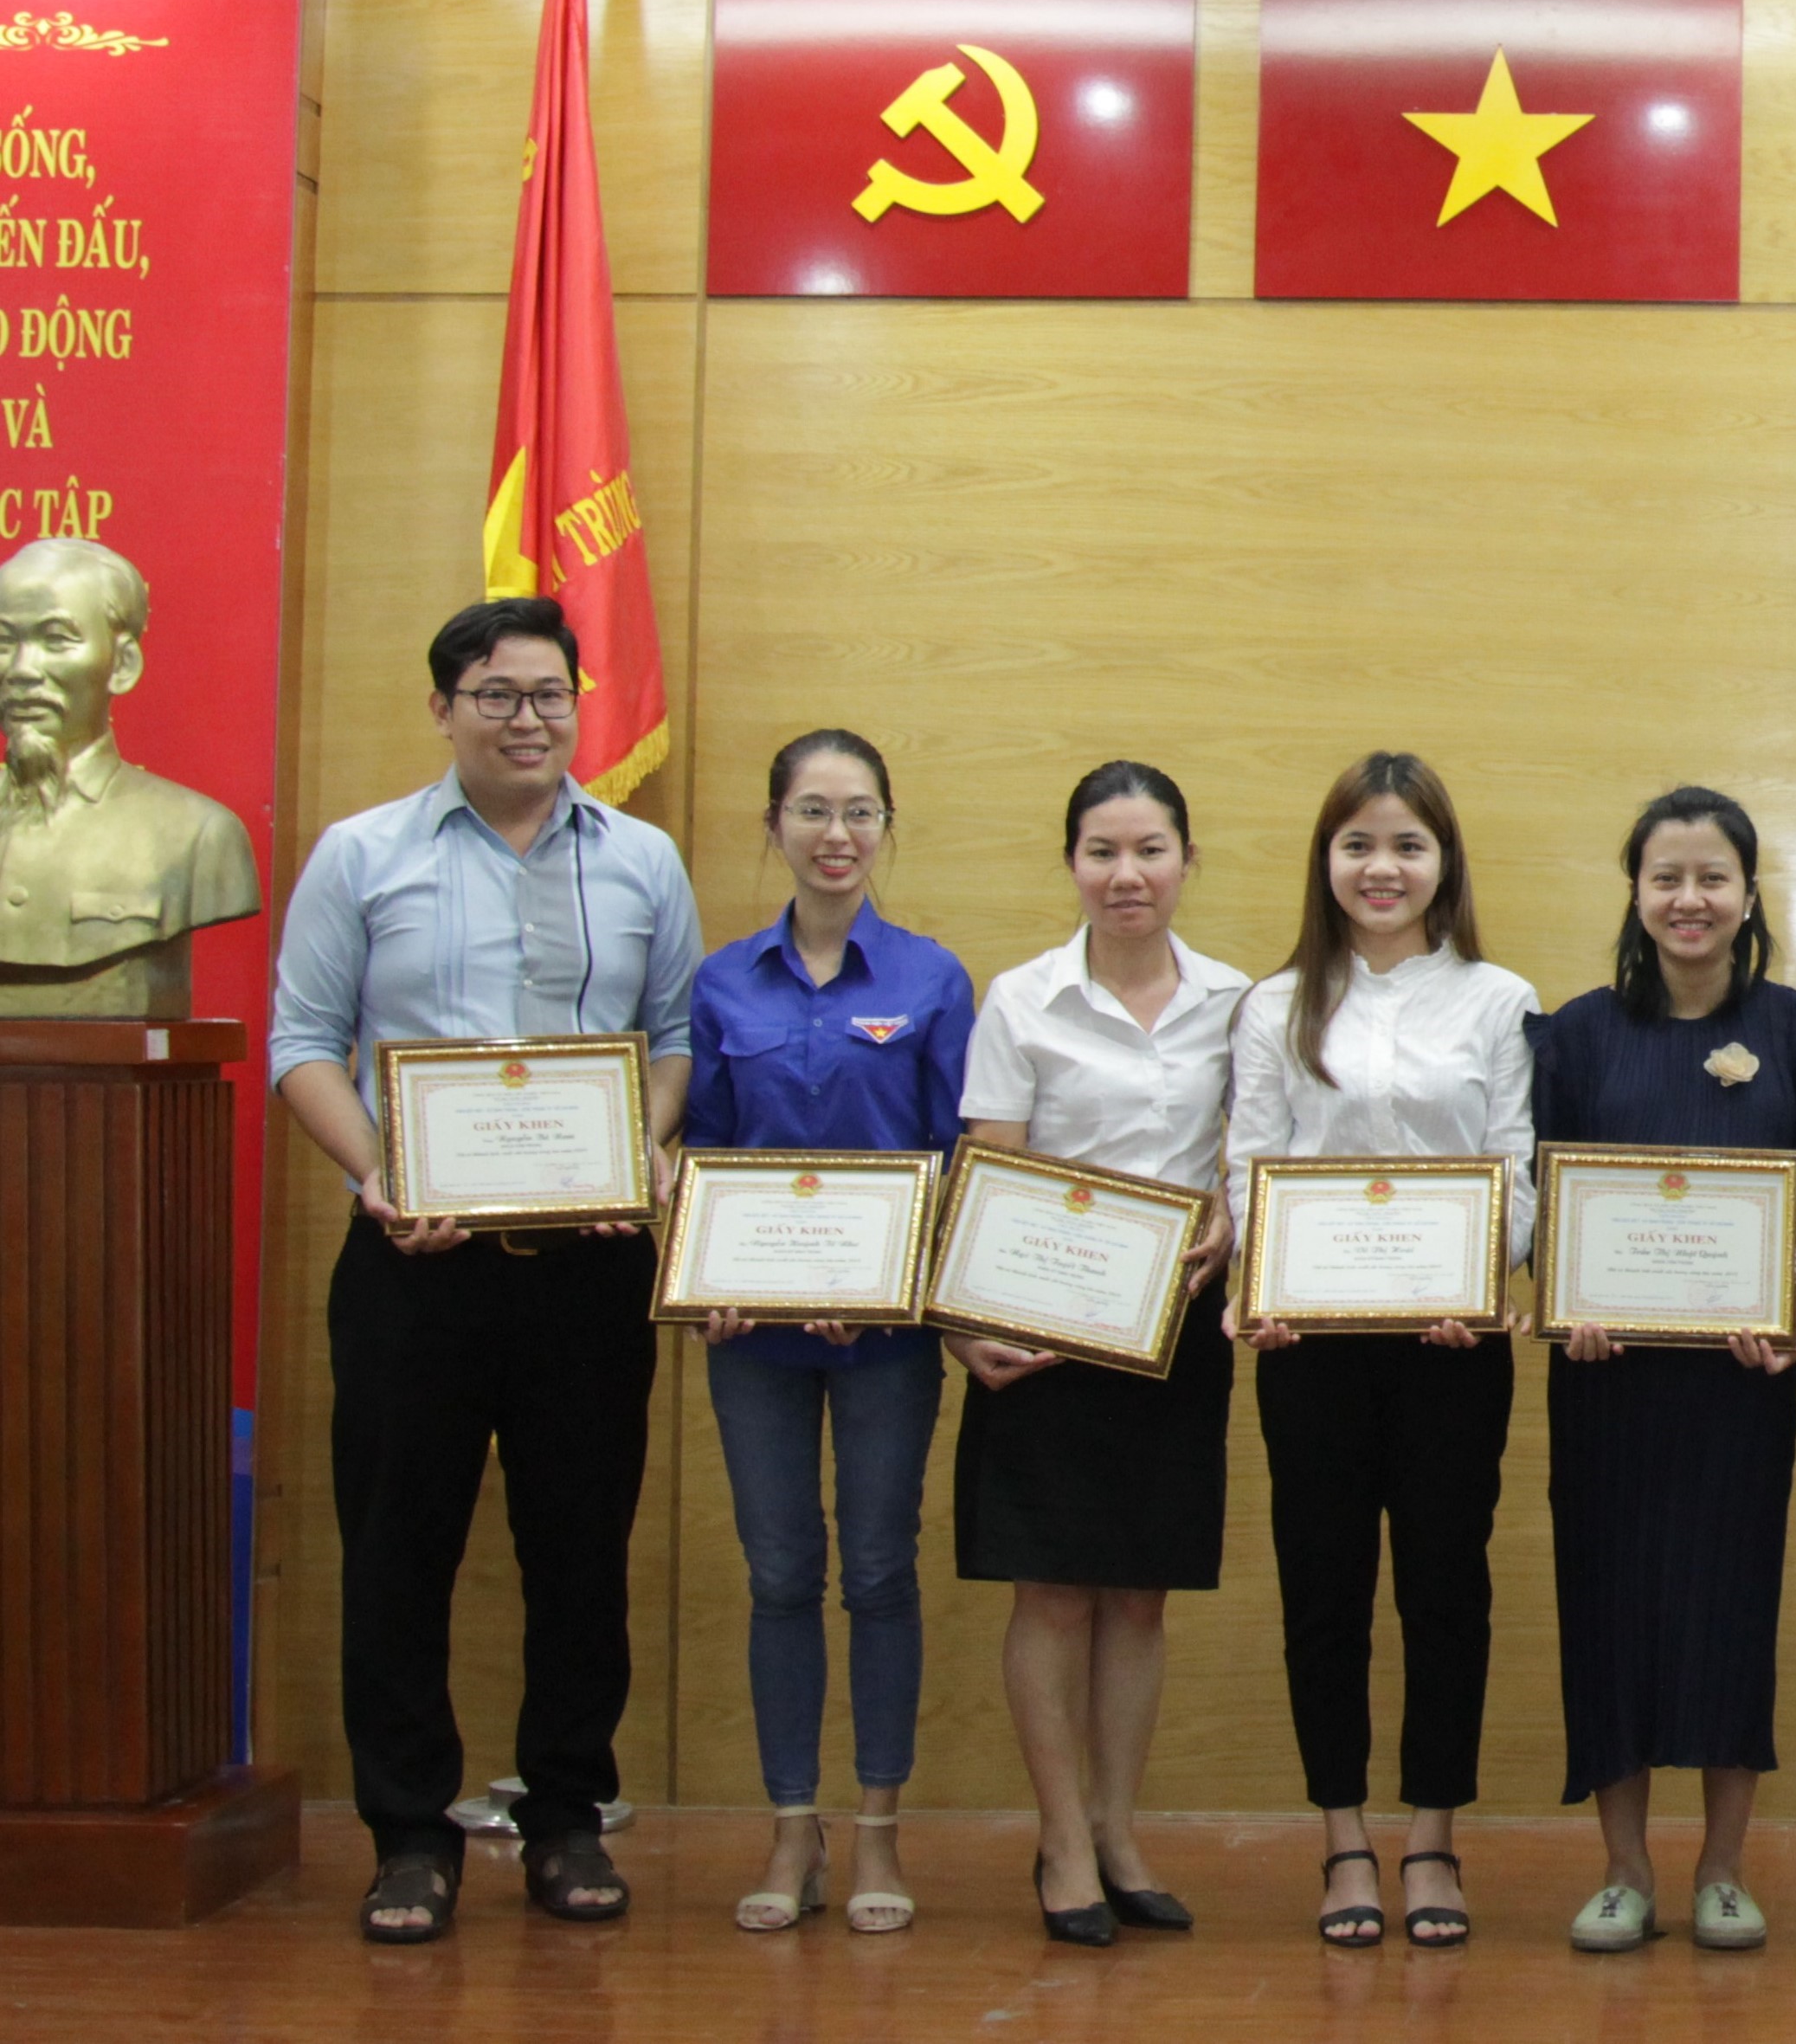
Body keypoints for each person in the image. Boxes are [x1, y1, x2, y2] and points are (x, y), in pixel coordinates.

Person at [266, 596, 700, 1944]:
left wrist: (645, 1147)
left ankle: (567, 1817)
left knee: (580, 1551)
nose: (528, 719)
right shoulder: (364, 855)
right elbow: (300, 1042)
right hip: (414, 1265)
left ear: (579, 704)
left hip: (587, 1269)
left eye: (551, 694)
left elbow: (673, 1036)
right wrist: (378, 1174)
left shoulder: (641, 859)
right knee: (400, 1550)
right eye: (498, 695)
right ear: (443, 708)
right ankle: (410, 1834)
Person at [1226, 751, 1535, 1951]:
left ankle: (1433, 1836)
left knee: (1446, 1590)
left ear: (1444, 862)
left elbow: (1515, 1165)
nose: (1382, 867)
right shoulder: (1274, 1004)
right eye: (1358, 843)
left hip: (1454, 1345)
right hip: (1310, 1344)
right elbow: (1252, 1164)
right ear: (1327, 860)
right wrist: (1266, 1279)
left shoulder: (1500, 1001)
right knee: (1324, 1590)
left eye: (1408, 843)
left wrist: (1484, 1277)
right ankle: (1344, 1835)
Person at [1533, 787, 1796, 1955]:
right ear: (1636, 892)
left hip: (1740, 1385)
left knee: (1729, 1610)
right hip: (1605, 1381)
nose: (1689, 898)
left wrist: (1794, 1297)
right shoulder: (1575, 1034)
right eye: (1666, 877)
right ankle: (1623, 1871)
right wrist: (1566, 1302)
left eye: (1713, 877)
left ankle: (1721, 1869)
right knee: (1605, 1610)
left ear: (1749, 894)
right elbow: (1545, 1198)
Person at [951, 760, 1248, 1948]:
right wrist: (968, 1321)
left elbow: (1254, 1151)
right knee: (1054, 1590)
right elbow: (990, 1165)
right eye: (1102, 851)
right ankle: (1063, 1838)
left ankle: (1120, 1830)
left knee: (1139, 1593)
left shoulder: (1239, 1001)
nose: (1127, 875)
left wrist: (1232, 1210)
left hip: (1174, 1329)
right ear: (1071, 862)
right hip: (1045, 1329)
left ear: (1186, 860)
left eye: (1150, 849)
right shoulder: (1021, 998)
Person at [682, 730, 975, 1936]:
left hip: (887, 1339)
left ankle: (877, 1831)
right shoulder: (721, 982)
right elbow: (700, 1153)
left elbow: (957, 1161)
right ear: (774, 826)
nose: (836, 833)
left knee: (879, 1571)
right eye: (811, 809)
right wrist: (709, 1275)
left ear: (886, 827)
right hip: (754, 1336)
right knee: (778, 1574)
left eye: (859, 811)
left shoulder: (932, 978)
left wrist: (890, 1283)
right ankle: (791, 1828)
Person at [0, 535, 261, 1016]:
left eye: (55, 639)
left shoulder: (198, 836)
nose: (22, 670)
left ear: (122, 665)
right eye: (3, 641)